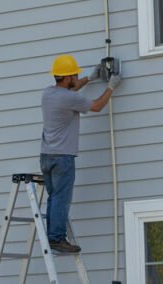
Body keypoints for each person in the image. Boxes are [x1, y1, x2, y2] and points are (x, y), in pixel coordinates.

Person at [40, 54, 121, 253]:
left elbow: (71, 93)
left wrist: (90, 78)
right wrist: (111, 86)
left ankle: (52, 236)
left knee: (53, 197)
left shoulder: (48, 93)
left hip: (46, 156)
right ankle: (57, 238)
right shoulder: (69, 97)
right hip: (62, 157)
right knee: (61, 198)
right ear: (67, 78)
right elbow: (97, 106)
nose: (77, 77)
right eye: (75, 75)